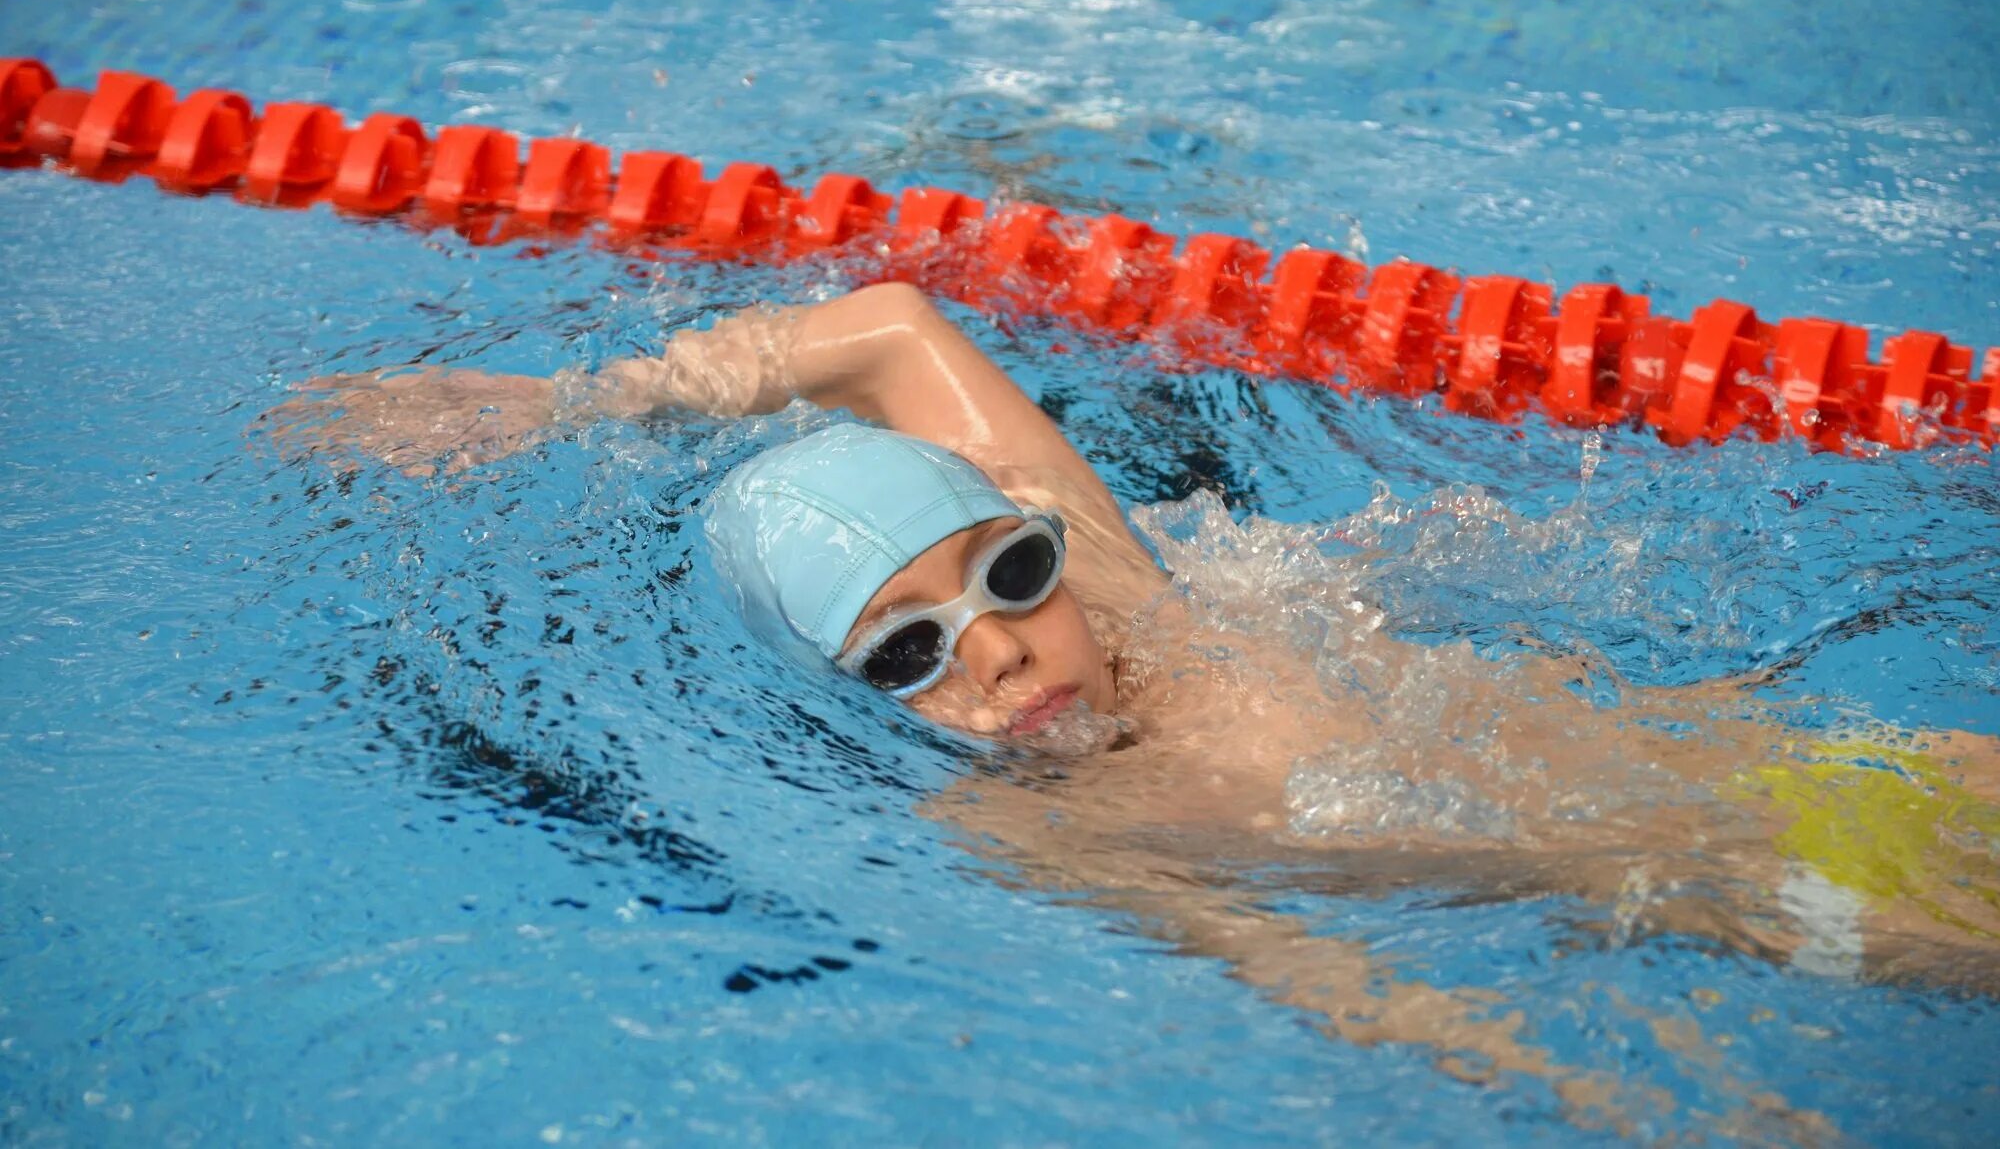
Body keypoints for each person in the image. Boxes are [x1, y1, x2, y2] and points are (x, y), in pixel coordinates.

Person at [274, 281, 2000, 1130]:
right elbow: (1327, 989)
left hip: (1833, 771)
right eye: (909, 653)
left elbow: (887, 325)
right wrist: (1654, 1106)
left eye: (1004, 580)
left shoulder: (1141, 601)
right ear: (848, 701)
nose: (1003, 649)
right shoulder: (1050, 837)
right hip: (1774, 905)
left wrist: (576, 398)